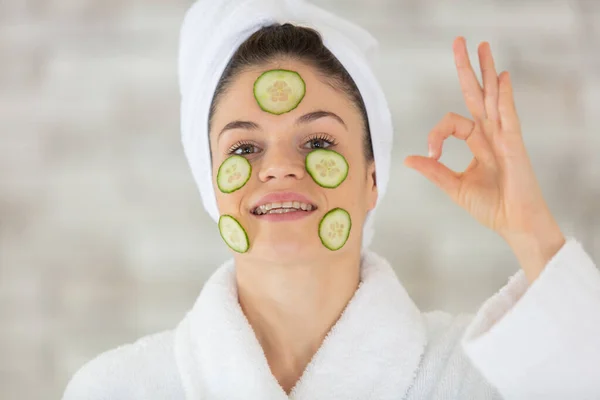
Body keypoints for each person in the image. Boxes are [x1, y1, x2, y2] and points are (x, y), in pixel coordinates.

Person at [62, 1, 600, 399]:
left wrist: (532, 231)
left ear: (372, 178)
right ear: (211, 186)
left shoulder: (486, 377)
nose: (277, 166)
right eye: (244, 147)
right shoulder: (113, 390)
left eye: (318, 141)